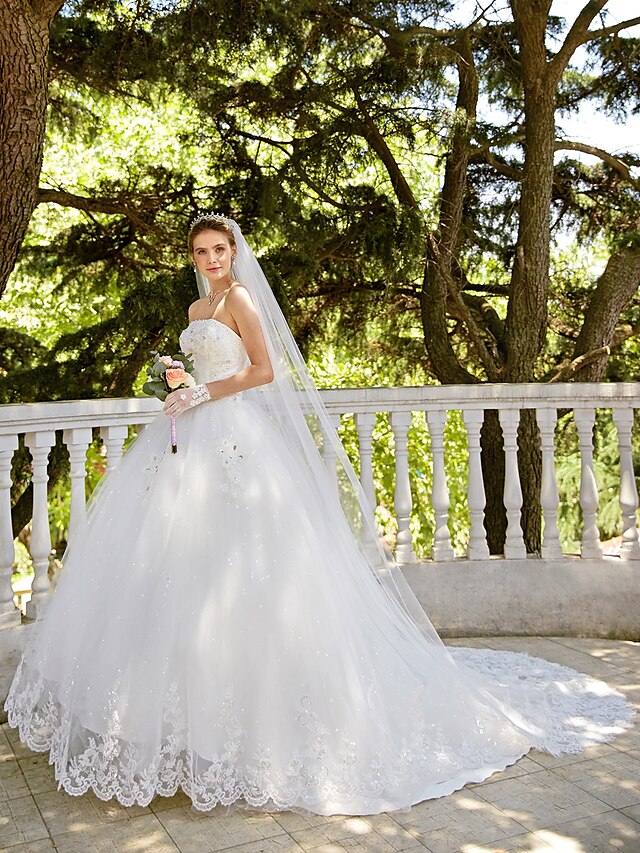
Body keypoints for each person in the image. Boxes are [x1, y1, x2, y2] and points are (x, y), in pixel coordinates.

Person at [5, 214, 633, 816]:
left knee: (254, 568)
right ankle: (182, 728)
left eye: (219, 251)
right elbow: (200, 366)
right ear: (193, 258)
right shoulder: (197, 311)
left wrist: (202, 390)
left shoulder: (243, 300)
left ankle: (264, 729)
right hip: (189, 439)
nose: (211, 261)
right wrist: (179, 380)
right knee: (176, 570)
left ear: (234, 254)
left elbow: (263, 370)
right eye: (201, 253)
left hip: (235, 439)